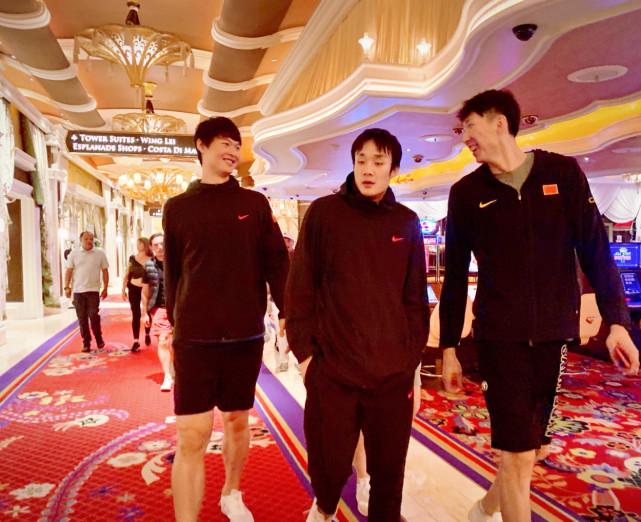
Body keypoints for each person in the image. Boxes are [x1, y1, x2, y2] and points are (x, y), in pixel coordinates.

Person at [439, 89, 640, 522]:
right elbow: (453, 277)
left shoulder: (562, 174)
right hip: (500, 340)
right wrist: (450, 346)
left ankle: (486, 507)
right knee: (515, 454)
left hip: (553, 335)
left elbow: (596, 252)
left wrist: (617, 322)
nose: (465, 138)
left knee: (531, 448)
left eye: (469, 126)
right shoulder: (466, 193)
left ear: (499, 123)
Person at [286, 128, 429, 522]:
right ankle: (324, 509)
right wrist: (306, 358)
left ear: (393, 169)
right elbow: (300, 288)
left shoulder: (406, 221)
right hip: (334, 371)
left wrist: (410, 360)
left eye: (378, 162)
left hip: (392, 376)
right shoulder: (324, 214)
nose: (368, 169)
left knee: (389, 476)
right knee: (328, 468)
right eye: (361, 160)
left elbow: (415, 299)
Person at [163, 117, 289, 522]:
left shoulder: (254, 205)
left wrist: (288, 312)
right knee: (192, 434)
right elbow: (173, 273)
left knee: (237, 421)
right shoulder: (177, 208)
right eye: (224, 142)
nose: (233, 151)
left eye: (237, 144)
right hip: (194, 338)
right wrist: (173, 321)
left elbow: (276, 263)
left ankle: (231, 492)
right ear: (201, 145)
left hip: (244, 335)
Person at [351, 364, 422, 516]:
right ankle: (363, 477)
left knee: (409, 409)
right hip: (360, 359)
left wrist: (415, 380)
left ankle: (384, 482)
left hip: (404, 361)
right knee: (360, 408)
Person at [64, 231, 109, 352]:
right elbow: (69, 271)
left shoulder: (100, 253)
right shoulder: (74, 254)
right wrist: (66, 287)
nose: (89, 241)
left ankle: (98, 338)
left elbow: (105, 271)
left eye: (91, 239)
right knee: (82, 318)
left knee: (94, 315)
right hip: (78, 291)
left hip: (93, 290)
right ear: (81, 241)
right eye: (86, 239)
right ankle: (86, 342)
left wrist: (105, 288)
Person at [141, 233, 174, 391]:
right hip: (160, 308)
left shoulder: (178, 262)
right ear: (151, 247)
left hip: (179, 308)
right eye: (156, 245)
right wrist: (144, 313)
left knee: (177, 343)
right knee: (163, 340)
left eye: (162, 244)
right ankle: (167, 375)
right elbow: (145, 291)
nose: (160, 248)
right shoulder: (149, 266)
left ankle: (174, 369)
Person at [122, 237, 152, 352]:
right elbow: (127, 273)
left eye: (140, 243)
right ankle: (136, 341)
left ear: (145, 245)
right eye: (137, 243)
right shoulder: (132, 258)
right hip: (133, 288)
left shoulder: (151, 259)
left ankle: (147, 333)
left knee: (147, 311)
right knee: (136, 313)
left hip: (147, 288)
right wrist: (123, 288)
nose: (138, 245)